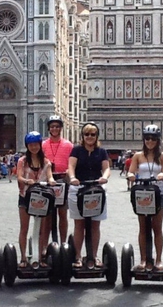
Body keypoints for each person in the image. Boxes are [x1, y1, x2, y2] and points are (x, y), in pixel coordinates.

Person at [127, 125, 163, 272]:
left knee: (157, 228)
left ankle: (158, 260)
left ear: (158, 140)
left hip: (158, 193)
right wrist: (131, 176)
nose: (150, 141)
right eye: (147, 138)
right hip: (142, 193)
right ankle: (144, 259)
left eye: (153, 139)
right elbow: (131, 171)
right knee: (143, 228)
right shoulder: (138, 156)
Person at [67, 122, 110, 268]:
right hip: (78, 188)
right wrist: (72, 178)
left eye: (93, 134)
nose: (89, 137)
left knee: (95, 225)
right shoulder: (77, 150)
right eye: (87, 134)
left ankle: (94, 256)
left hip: (96, 189)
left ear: (97, 136)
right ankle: (78, 257)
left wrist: (104, 177)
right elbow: (71, 167)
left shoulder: (101, 151)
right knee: (79, 224)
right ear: (82, 136)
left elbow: (106, 168)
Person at [17, 131, 56, 268]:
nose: (34, 147)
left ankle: (39, 257)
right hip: (25, 196)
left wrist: (51, 181)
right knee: (24, 227)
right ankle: (23, 258)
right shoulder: (22, 161)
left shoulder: (45, 161)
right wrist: (27, 181)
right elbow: (19, 177)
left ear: (40, 145)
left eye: (36, 144)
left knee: (42, 228)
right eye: (31, 145)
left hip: (42, 197)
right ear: (27, 146)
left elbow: (50, 176)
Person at [42, 115, 74, 244]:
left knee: (62, 213)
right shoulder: (43, 144)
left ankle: (63, 242)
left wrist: (69, 172)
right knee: (47, 215)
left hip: (63, 181)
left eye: (57, 126)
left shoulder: (68, 145)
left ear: (61, 128)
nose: (54, 129)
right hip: (47, 181)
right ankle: (44, 244)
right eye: (52, 127)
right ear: (49, 129)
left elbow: (72, 163)